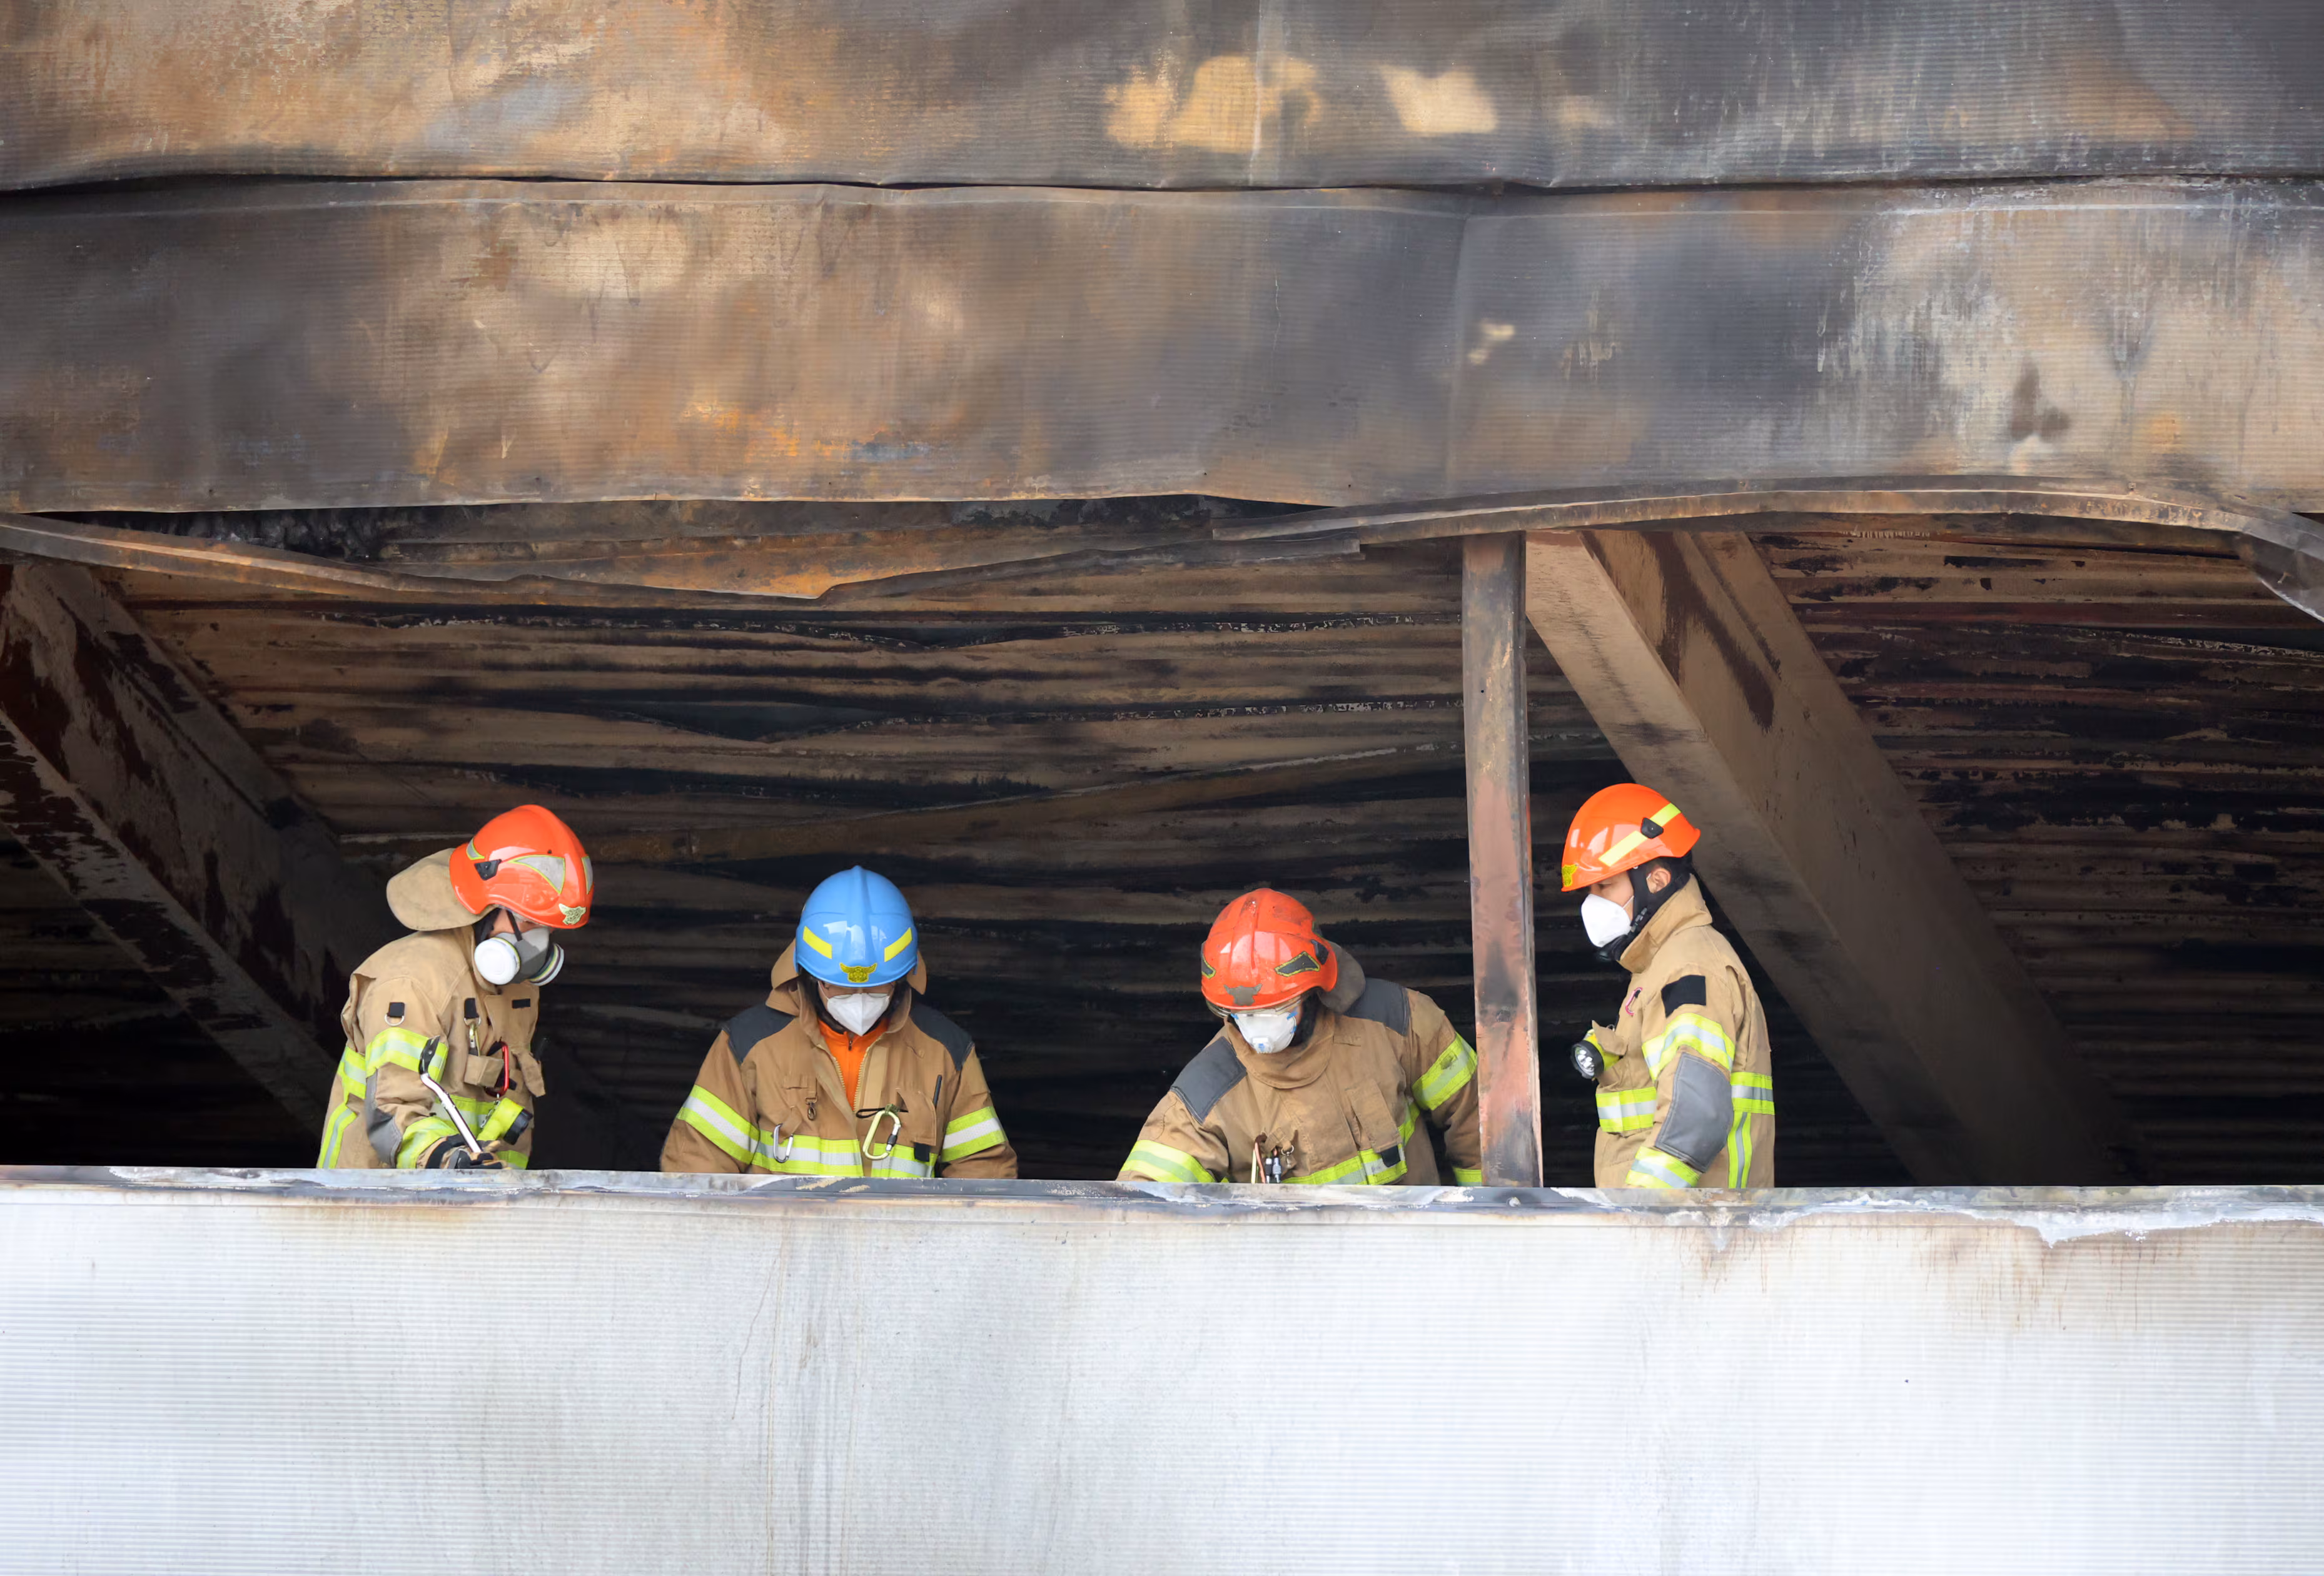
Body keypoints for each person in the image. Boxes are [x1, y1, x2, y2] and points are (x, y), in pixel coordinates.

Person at [660, 866, 1016, 1178]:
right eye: (840, 984)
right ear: (810, 975)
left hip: (900, 1252)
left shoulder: (946, 1052)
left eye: (877, 983)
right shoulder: (748, 1046)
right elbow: (696, 1172)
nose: (859, 996)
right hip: (781, 1252)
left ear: (903, 974)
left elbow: (984, 1176)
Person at [1119, 888, 1481, 1186]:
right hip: (1296, 1271)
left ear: (1313, 988)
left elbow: (1479, 1119)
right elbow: (1142, 1206)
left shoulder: (1396, 1021)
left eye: (1276, 1008)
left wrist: (1492, 1239)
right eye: (1244, 1015)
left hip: (1415, 1262)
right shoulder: (1206, 1094)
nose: (1259, 1028)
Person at [315, 805, 594, 1169]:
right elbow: (392, 1112)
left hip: (470, 1207)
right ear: (487, 908)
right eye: (529, 922)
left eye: (549, 930)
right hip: (371, 1207)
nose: (540, 942)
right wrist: (448, 1162)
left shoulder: (517, 993)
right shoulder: (411, 981)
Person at [1562, 784, 1775, 1190]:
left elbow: (1695, 1115)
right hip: (1682, 1228)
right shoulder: (1658, 967)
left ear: (1656, 879)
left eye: (1604, 886)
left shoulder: (1689, 968)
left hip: (1691, 1232)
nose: (1592, 903)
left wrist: (1641, 1215)